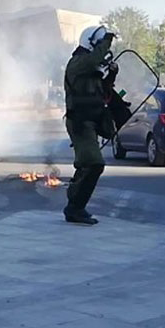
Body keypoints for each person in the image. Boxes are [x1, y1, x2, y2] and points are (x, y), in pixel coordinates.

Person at [63, 25, 117, 225]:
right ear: (92, 43)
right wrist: (107, 41)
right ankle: (75, 207)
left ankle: (74, 203)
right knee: (95, 164)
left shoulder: (89, 68)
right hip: (80, 122)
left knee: (87, 164)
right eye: (100, 44)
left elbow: (102, 91)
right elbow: (94, 59)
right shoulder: (77, 63)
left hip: (89, 121)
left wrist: (111, 75)